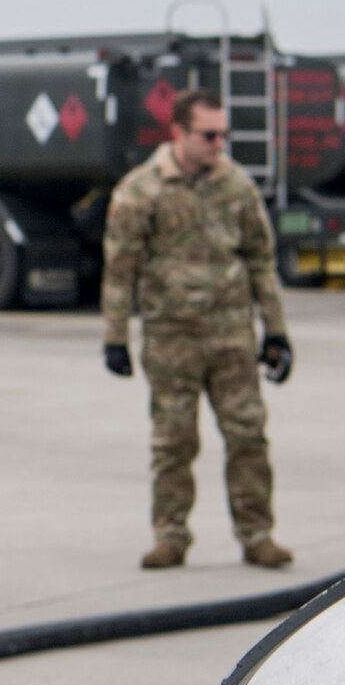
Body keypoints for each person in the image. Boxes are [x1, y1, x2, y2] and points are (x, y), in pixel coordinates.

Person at [101, 88, 294, 570]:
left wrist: (276, 331)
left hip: (231, 337)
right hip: (171, 339)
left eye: (223, 135)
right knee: (173, 442)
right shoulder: (141, 190)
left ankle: (257, 534)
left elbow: (261, 262)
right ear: (179, 134)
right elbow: (120, 269)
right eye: (209, 135)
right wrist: (116, 336)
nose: (218, 145)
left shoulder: (237, 188)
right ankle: (171, 535)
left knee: (248, 435)